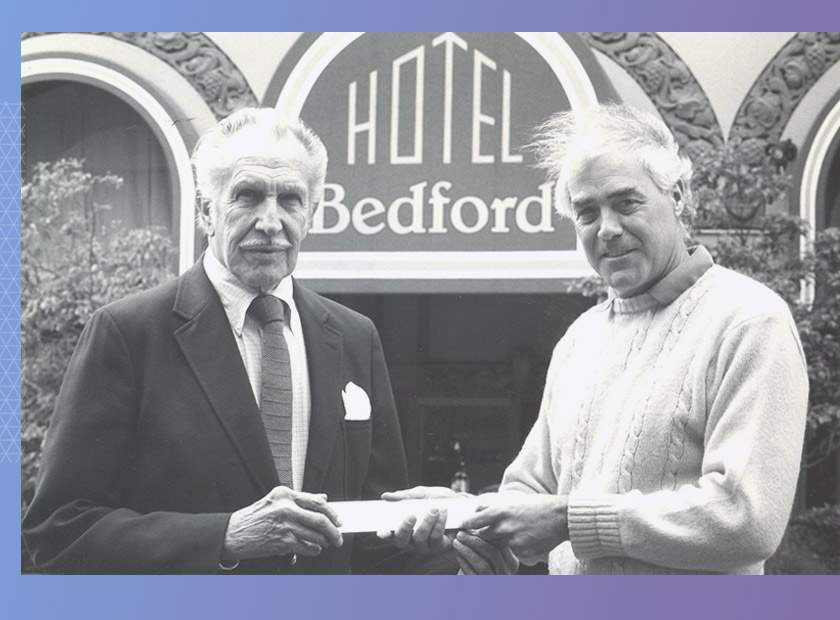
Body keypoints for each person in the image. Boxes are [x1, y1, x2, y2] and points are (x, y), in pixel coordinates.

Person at [23, 108, 414, 574]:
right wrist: (224, 536)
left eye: (290, 199)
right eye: (247, 197)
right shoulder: (128, 334)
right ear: (207, 211)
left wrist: (453, 557)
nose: (270, 222)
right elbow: (58, 531)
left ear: (312, 213)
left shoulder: (354, 337)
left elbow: (378, 546)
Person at [456, 103, 809, 574]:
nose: (607, 229)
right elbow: (530, 492)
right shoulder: (579, 340)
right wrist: (452, 516)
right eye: (586, 212)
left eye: (626, 202)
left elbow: (745, 518)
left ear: (678, 195)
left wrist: (570, 520)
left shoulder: (749, 321)